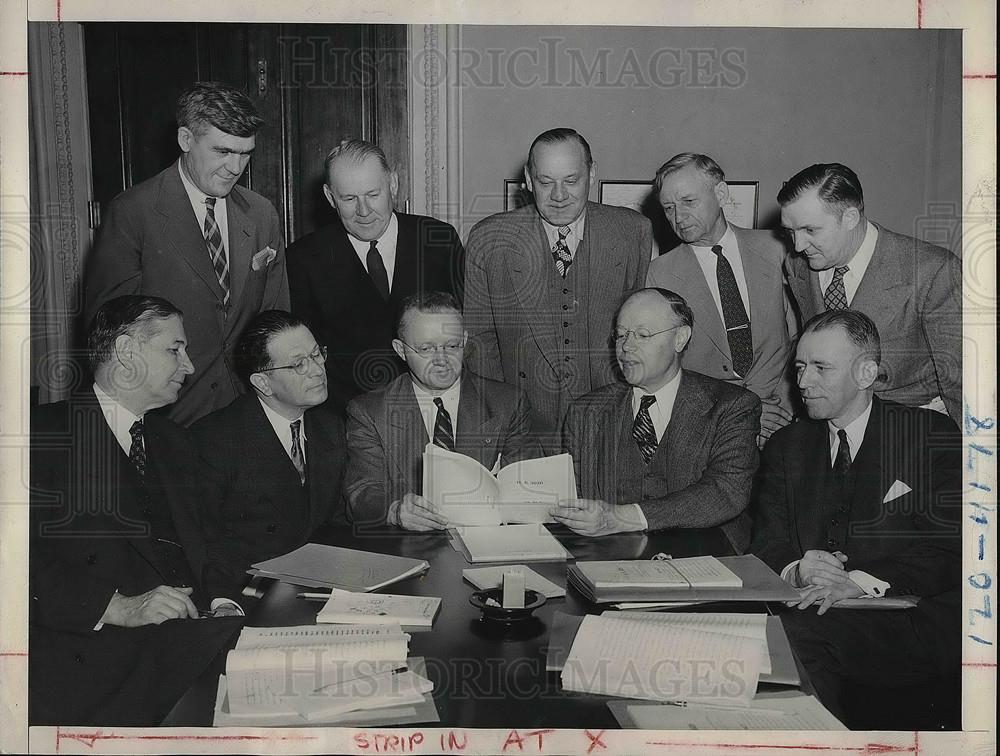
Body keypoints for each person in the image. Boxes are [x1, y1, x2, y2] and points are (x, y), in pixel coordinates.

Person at [29, 296, 243, 725]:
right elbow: (13, 567)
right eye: (174, 349)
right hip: (90, 663)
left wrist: (223, 600)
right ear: (126, 352)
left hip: (186, 643)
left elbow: (212, 539)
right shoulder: (39, 436)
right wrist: (119, 609)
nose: (189, 366)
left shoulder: (173, 440)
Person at [750, 310, 961, 725]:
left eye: (820, 368)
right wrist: (797, 570)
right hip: (812, 612)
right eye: (799, 367)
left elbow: (951, 551)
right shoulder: (786, 447)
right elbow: (765, 545)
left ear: (866, 373)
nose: (803, 382)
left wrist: (859, 584)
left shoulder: (929, 435)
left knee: (795, 639)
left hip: (907, 617)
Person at [84, 81, 287, 426]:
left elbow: (276, 317)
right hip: (170, 414)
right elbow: (107, 335)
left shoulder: (262, 212)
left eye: (245, 153)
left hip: (248, 410)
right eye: (223, 151)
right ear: (185, 140)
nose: (236, 168)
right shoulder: (134, 212)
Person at [464, 128, 652, 451]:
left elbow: (640, 335)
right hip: (524, 428)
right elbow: (480, 343)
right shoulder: (488, 239)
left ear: (592, 174)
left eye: (571, 180)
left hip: (610, 424)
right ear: (527, 178)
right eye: (546, 181)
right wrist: (504, 423)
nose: (559, 195)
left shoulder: (632, 231)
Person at [555, 288, 761, 553]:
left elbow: (726, 492)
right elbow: (573, 500)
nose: (627, 347)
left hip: (706, 557)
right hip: (610, 559)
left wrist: (622, 517)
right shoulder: (586, 412)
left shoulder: (732, 406)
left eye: (642, 335)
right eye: (620, 335)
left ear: (680, 338)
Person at [287, 139, 464, 412]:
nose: (363, 211)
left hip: (434, 407)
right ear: (329, 196)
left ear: (393, 184)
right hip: (347, 414)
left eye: (373, 194)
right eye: (348, 198)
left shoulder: (439, 239)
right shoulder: (304, 257)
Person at [778, 162, 962, 422]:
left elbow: (961, 379)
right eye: (790, 231)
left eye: (810, 230)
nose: (798, 246)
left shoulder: (933, 270)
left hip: (906, 424)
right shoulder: (798, 266)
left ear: (850, 218)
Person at [345, 292, 537, 530]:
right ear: (400, 350)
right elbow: (361, 494)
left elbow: (525, 490)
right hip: (413, 551)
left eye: (452, 346)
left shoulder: (508, 403)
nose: (442, 359)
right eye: (426, 348)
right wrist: (395, 512)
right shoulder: (370, 412)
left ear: (465, 341)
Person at [191, 311, 347, 598]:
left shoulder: (330, 427)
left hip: (319, 586)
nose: (316, 370)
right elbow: (206, 544)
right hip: (248, 595)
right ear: (263, 383)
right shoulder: (213, 440)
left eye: (316, 355)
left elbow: (335, 522)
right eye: (299, 364)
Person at [646, 153, 795, 446]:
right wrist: (743, 412)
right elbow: (665, 372)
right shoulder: (658, 275)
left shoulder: (777, 250)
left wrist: (787, 410)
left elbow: (800, 339)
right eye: (669, 208)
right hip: (713, 431)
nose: (679, 217)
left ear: (721, 193)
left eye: (689, 201)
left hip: (784, 423)